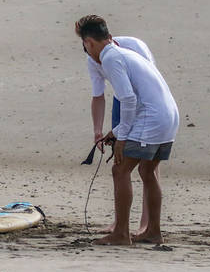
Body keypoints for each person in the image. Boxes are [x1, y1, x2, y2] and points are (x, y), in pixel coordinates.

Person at [76, 16, 179, 245]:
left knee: (120, 170)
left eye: (84, 46)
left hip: (151, 117)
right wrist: (116, 130)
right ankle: (153, 231)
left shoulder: (111, 58)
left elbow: (128, 100)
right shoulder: (124, 52)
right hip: (169, 115)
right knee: (147, 171)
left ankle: (121, 233)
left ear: (90, 42)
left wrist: (121, 136)